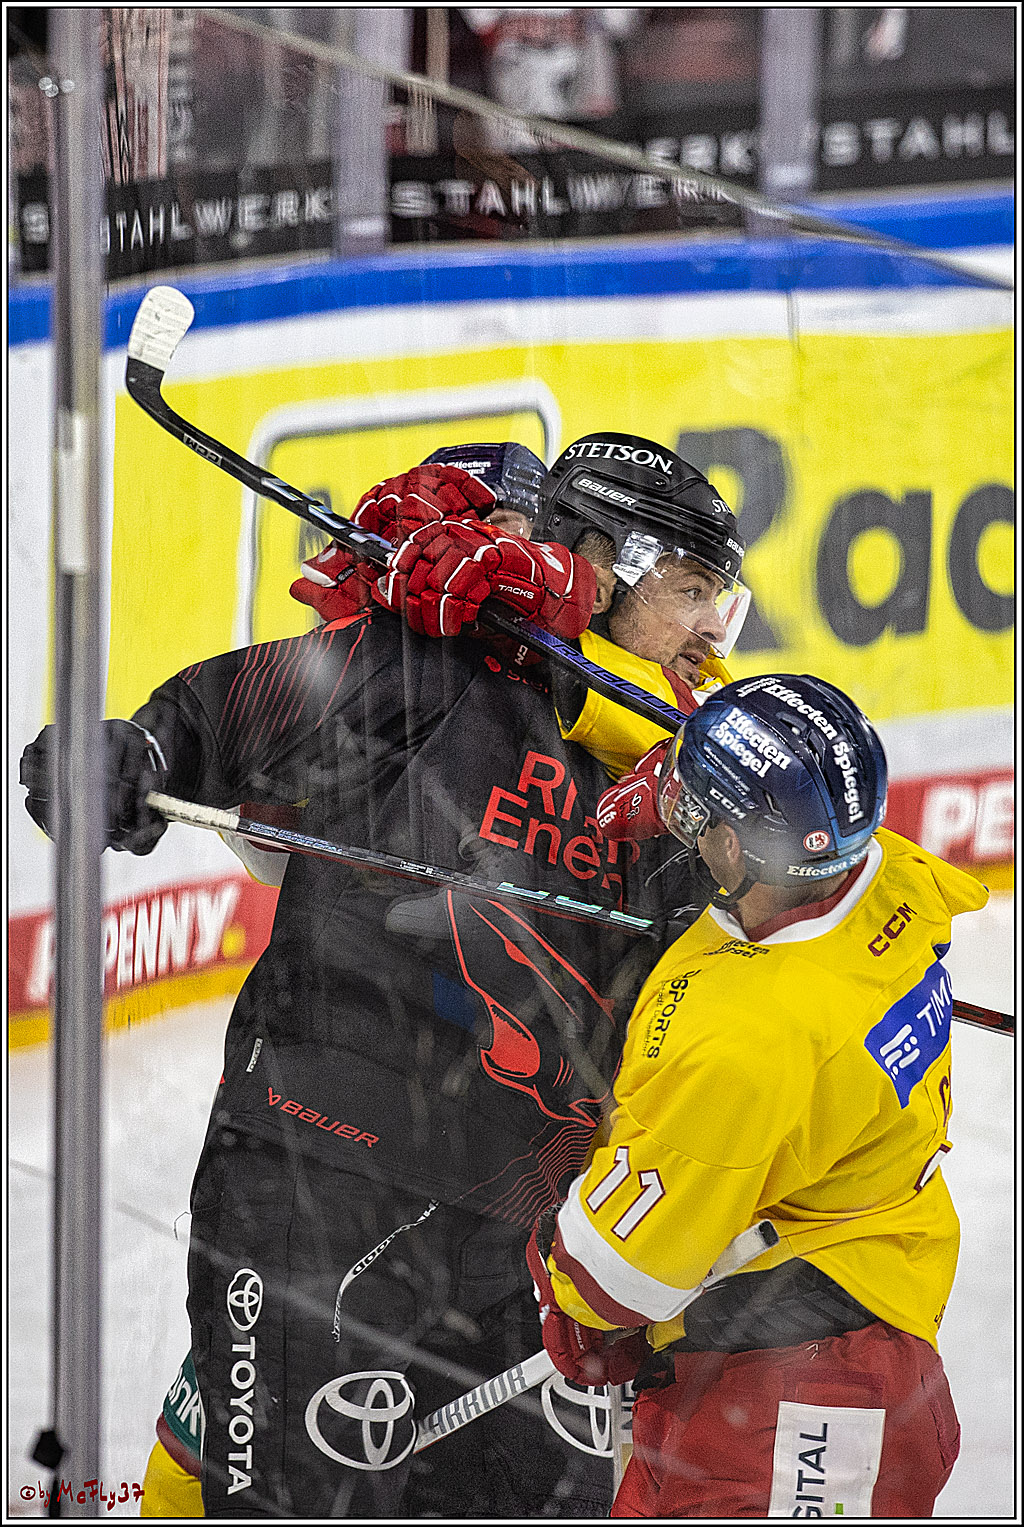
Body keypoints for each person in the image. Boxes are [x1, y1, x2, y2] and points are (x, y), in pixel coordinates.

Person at [22, 432, 748, 1519]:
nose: (709, 630)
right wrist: (135, 755)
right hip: (319, 1174)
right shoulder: (440, 664)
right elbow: (233, 714)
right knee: (280, 1499)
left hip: (529, 1222)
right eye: (690, 590)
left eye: (721, 602)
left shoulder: (694, 765)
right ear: (598, 567)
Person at [526, 672, 986, 1518]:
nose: (683, 820)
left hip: (797, 1406)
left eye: (700, 816)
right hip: (855, 1318)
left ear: (739, 851)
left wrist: (573, 1297)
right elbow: (792, 766)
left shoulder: (744, 1040)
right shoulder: (891, 877)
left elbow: (620, 1279)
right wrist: (676, 788)